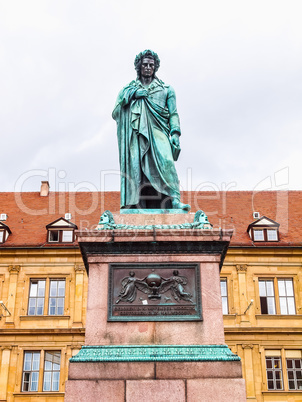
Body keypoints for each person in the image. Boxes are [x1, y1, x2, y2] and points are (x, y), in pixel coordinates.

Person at [112, 49, 190, 211]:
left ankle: (174, 199)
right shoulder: (128, 89)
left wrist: (175, 133)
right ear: (139, 67)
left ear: (155, 68)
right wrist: (132, 95)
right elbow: (116, 112)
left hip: (159, 130)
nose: (148, 67)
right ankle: (136, 203)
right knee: (136, 167)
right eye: (145, 64)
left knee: (166, 161)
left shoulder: (166, 89)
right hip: (136, 134)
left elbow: (173, 114)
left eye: (151, 65)